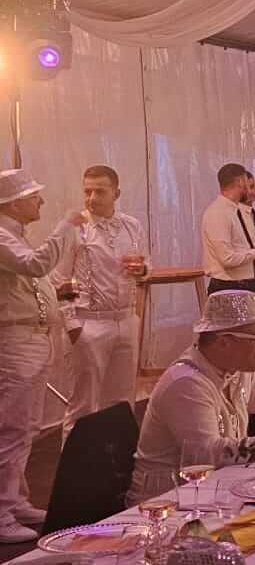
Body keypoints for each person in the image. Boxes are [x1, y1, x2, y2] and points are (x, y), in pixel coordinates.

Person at [131, 290, 255, 501]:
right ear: (223, 342)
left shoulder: (238, 371)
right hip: (166, 501)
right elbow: (208, 455)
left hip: (214, 492)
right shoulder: (185, 383)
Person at [0, 170, 82, 542]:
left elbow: (28, 278)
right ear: (14, 203)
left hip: (32, 339)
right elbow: (34, 265)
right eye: (34, 197)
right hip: (15, 342)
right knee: (12, 428)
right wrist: (65, 226)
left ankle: (14, 501)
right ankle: (2, 512)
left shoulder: (15, 236)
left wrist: (55, 294)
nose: (41, 202)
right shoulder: (3, 237)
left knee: (27, 427)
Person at [56, 164, 149, 436]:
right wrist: (73, 325)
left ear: (116, 193)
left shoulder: (132, 225)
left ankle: (118, 459)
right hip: (89, 323)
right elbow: (59, 279)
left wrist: (143, 270)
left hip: (126, 319)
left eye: (100, 191)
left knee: (122, 402)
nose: (92, 198)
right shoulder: (74, 229)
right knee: (83, 405)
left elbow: (146, 264)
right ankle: (73, 463)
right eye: (87, 191)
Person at [201, 161, 255, 294]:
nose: (249, 190)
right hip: (230, 288)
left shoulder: (234, 211)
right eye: (247, 183)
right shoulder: (218, 212)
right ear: (240, 182)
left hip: (247, 285)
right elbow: (227, 259)